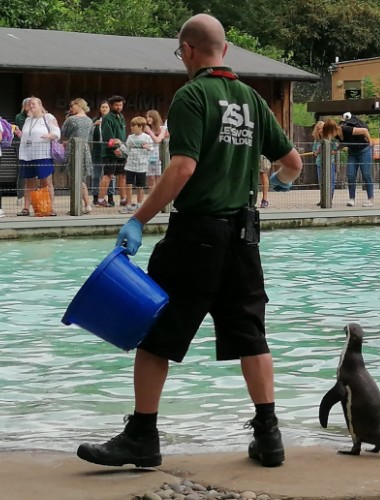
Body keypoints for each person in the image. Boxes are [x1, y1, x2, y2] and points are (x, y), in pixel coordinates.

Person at [77, 14, 304, 470]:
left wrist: (138, 218)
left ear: (188, 49)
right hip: (244, 236)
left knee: (155, 332)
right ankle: (269, 435)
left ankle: (142, 436)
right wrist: (277, 183)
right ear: (227, 50)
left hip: (197, 234)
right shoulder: (253, 99)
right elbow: (293, 163)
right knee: (251, 335)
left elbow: (182, 168)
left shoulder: (192, 95)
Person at [17, 97, 60, 216]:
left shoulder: (48, 117)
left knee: (46, 181)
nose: (31, 106)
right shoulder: (28, 120)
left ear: (40, 105)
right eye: (29, 104)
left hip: (43, 154)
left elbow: (57, 133)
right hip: (27, 155)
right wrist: (19, 134)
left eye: (33, 104)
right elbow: (26, 136)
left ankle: (50, 208)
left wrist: (48, 136)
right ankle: (26, 208)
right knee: (29, 182)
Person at [61, 98, 95, 214]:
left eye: (72, 106)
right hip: (85, 148)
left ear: (78, 105)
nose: (71, 108)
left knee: (75, 178)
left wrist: (66, 120)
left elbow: (64, 133)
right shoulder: (90, 120)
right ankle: (86, 204)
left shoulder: (72, 119)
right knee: (81, 178)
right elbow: (90, 137)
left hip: (73, 148)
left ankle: (80, 205)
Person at [117, 116, 153, 213]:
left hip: (142, 166)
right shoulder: (130, 137)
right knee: (128, 185)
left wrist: (148, 148)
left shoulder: (147, 137)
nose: (131, 127)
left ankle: (140, 204)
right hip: (130, 166)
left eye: (134, 126)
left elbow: (151, 150)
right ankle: (129, 204)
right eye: (131, 125)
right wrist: (120, 146)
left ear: (140, 127)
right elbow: (127, 151)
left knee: (140, 186)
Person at [99, 95, 127, 208]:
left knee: (122, 175)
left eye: (120, 105)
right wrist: (115, 148)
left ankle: (123, 199)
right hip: (110, 152)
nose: (119, 107)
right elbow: (107, 135)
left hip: (122, 151)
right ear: (111, 105)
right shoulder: (107, 118)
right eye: (116, 105)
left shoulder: (121, 117)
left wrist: (123, 148)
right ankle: (100, 199)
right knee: (108, 175)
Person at [340, 112, 373, 207]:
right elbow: (344, 142)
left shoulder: (349, 128)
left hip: (364, 150)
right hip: (352, 152)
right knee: (350, 175)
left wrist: (370, 142)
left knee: (366, 174)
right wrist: (335, 150)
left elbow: (365, 131)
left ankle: (370, 199)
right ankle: (351, 198)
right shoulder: (342, 129)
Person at [312, 118, 340, 205]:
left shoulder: (331, 139)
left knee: (330, 182)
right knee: (321, 182)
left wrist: (326, 151)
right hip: (319, 163)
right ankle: (323, 199)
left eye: (322, 128)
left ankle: (329, 199)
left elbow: (335, 151)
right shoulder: (317, 140)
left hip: (329, 163)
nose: (320, 130)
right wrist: (316, 152)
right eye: (318, 129)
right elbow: (314, 151)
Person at [90, 101, 110, 205]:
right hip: (97, 150)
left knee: (110, 175)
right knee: (96, 175)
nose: (104, 109)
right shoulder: (95, 120)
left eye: (106, 107)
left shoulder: (112, 120)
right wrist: (94, 125)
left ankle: (110, 196)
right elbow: (89, 134)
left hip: (108, 150)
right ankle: (95, 196)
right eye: (102, 107)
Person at [144, 110, 168, 193]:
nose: (148, 119)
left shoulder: (162, 128)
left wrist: (150, 132)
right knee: (151, 179)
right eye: (147, 117)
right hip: (148, 156)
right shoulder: (145, 129)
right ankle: (152, 199)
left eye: (150, 117)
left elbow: (158, 140)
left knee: (159, 179)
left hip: (159, 156)